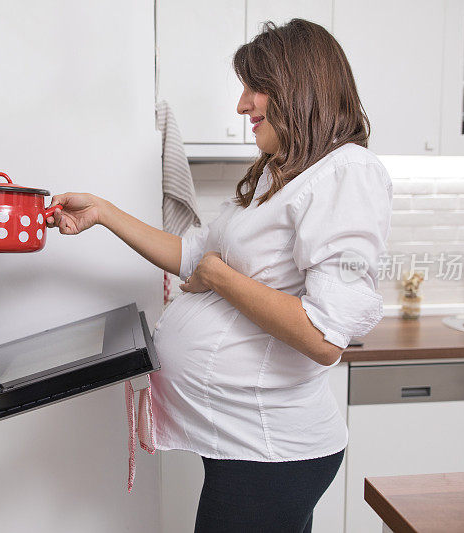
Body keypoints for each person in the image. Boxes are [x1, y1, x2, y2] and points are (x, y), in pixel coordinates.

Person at [46, 18, 392, 533]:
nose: (242, 104)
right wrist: (104, 212)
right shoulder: (282, 175)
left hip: (271, 450)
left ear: (298, 88)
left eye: (256, 88)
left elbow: (324, 338)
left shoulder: (347, 173)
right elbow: (192, 253)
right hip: (242, 441)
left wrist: (220, 276)